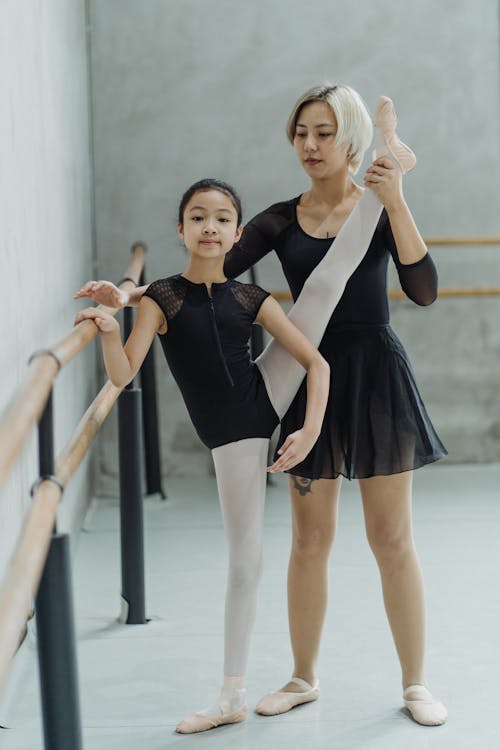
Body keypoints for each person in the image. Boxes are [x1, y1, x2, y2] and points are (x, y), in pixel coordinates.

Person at [74, 86, 448, 727]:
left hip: (375, 375)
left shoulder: (379, 208)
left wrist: (395, 196)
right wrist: (134, 296)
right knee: (309, 540)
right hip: (305, 377)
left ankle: (415, 683)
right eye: (301, 132)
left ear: (351, 139)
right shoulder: (279, 218)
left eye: (324, 133)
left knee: (392, 539)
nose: (310, 145)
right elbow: (204, 275)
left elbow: (424, 289)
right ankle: (303, 676)